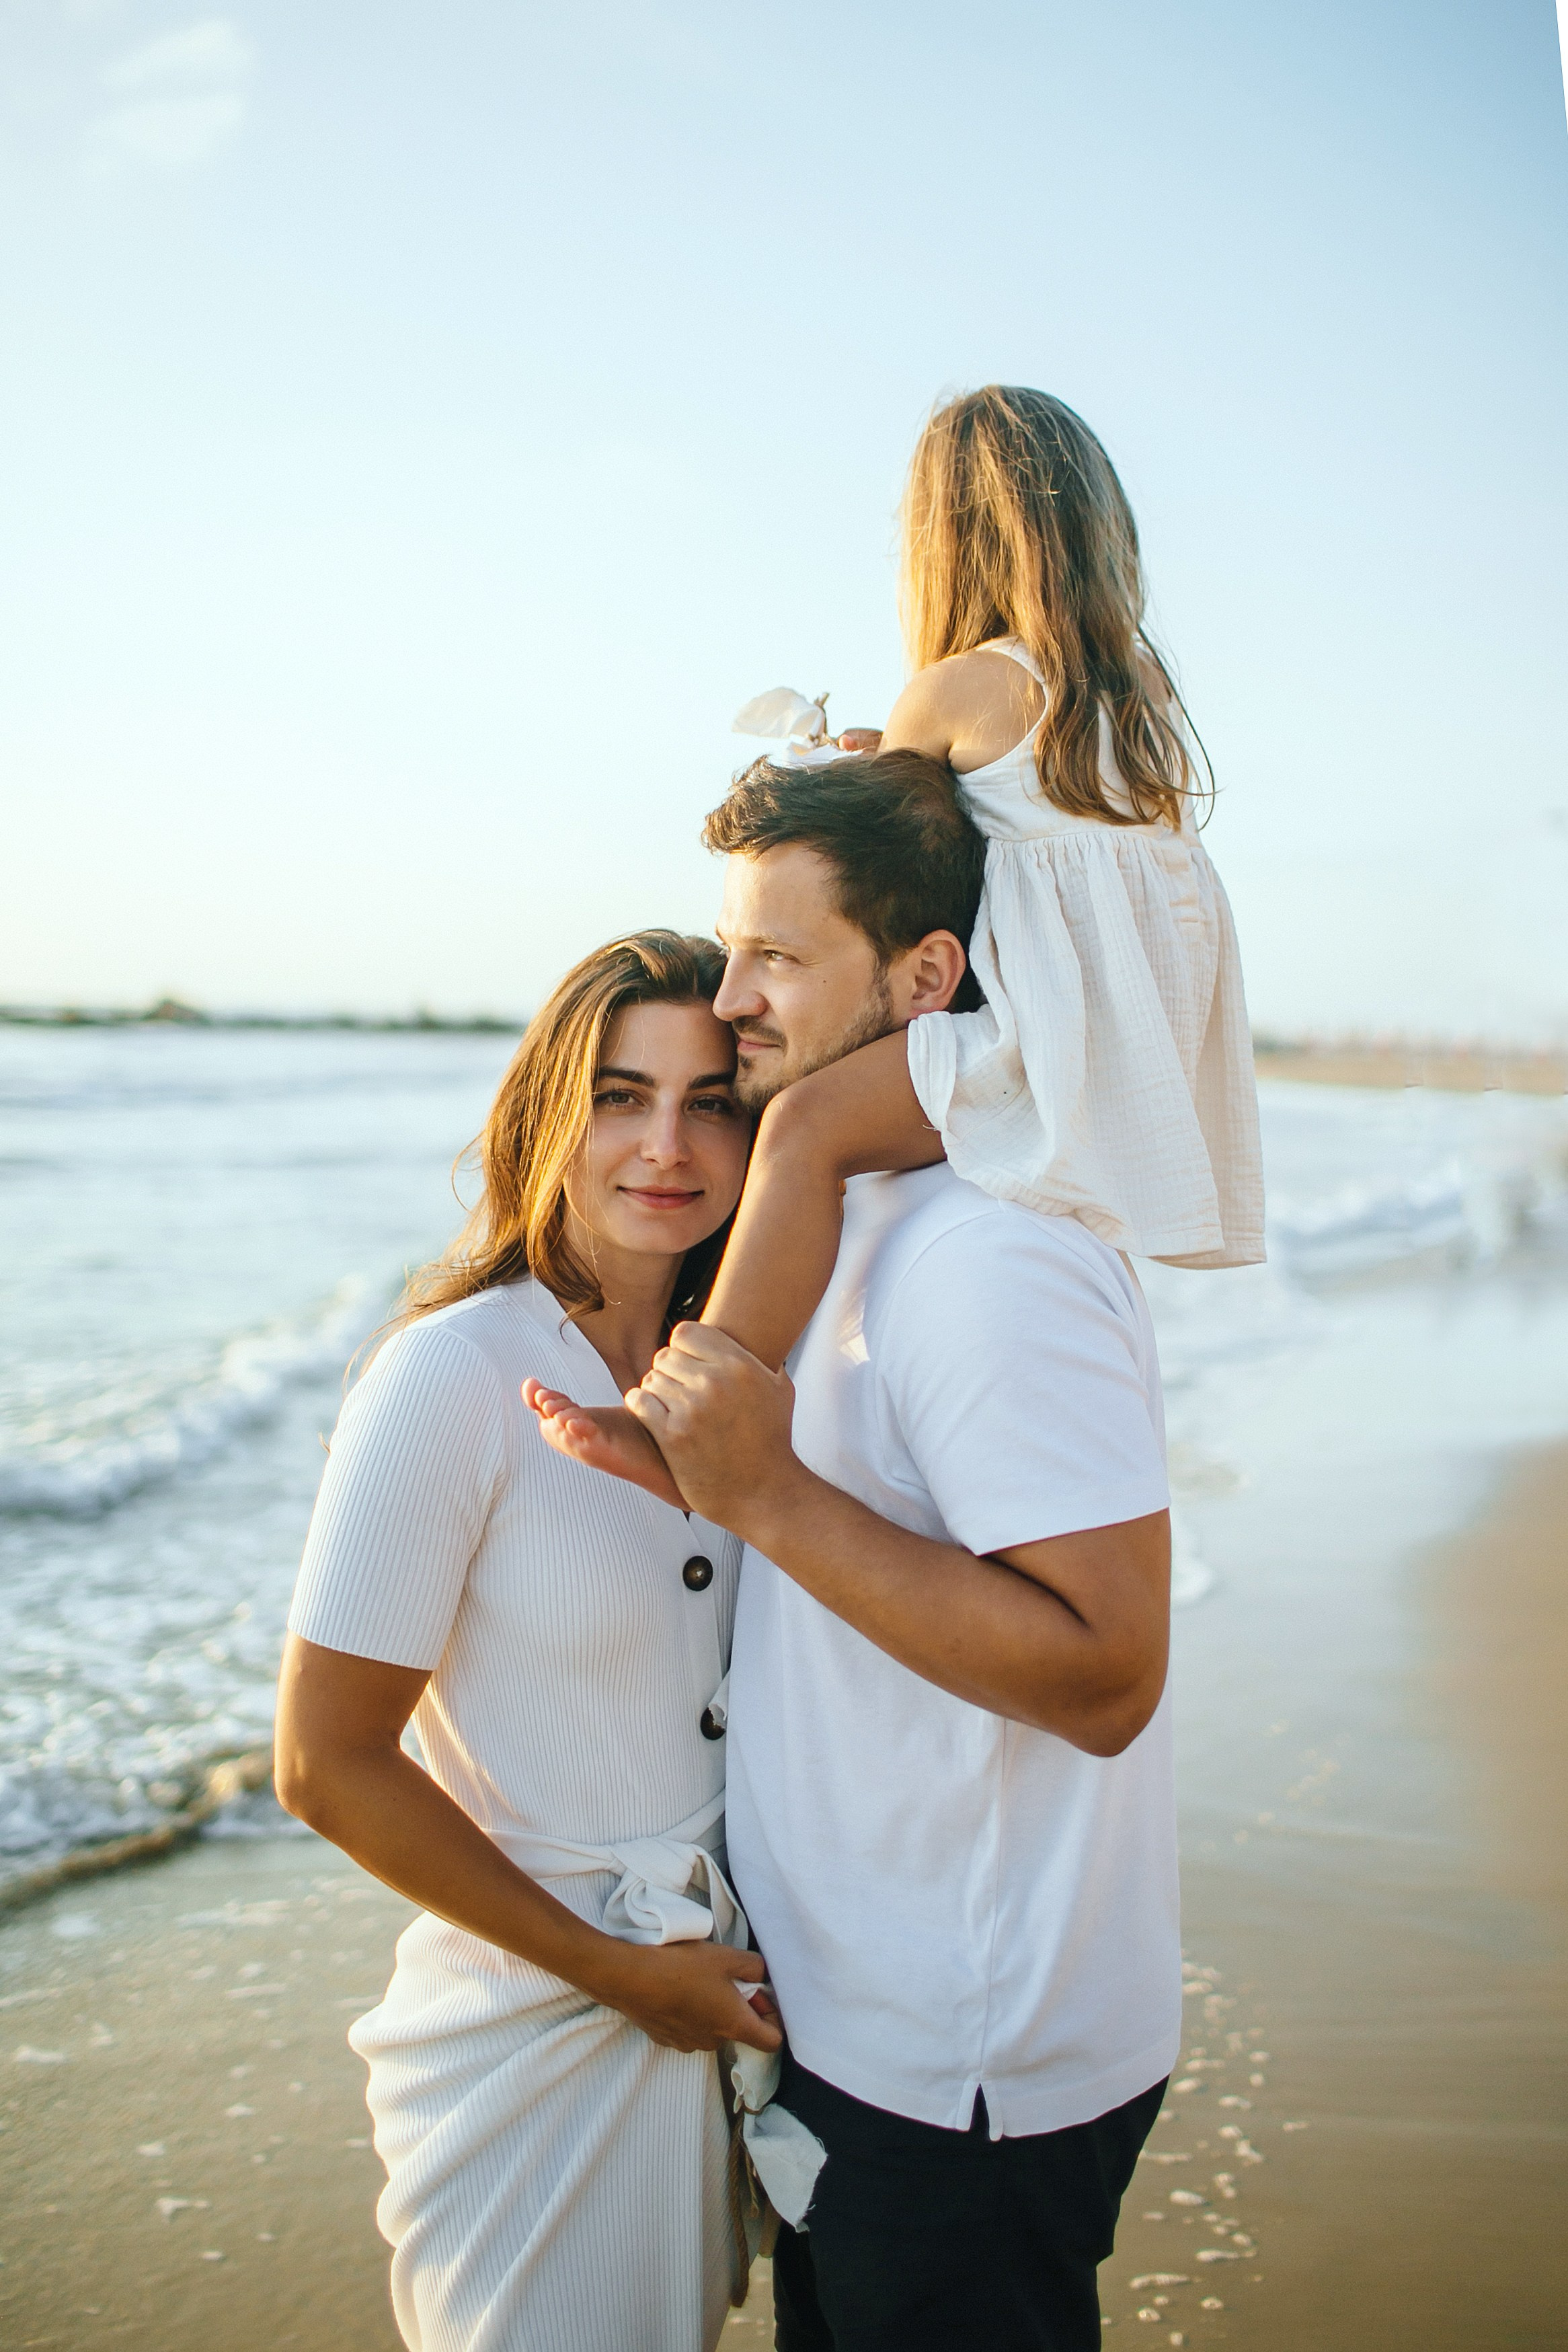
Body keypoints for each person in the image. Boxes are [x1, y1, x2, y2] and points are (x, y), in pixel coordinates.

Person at [528, 755, 1181, 2349]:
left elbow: (1108, 1675)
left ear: (925, 978)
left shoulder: (985, 1262)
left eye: (777, 957)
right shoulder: (836, 1220)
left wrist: (762, 1496)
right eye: (731, 947)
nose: (730, 1000)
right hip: (859, 2026)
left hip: (966, 2071)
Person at [539, 383, 1263, 1509]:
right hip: (1116, 1046)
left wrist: (861, 752)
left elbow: (887, 831)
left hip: (1029, 1044)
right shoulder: (1142, 701)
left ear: (944, 544)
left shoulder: (959, 687)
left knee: (805, 1128)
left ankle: (693, 1417)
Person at [274, 932, 782, 2352]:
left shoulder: (732, 1376)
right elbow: (324, 1764)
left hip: (705, 2006)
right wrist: (614, 1973)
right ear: (548, 1110)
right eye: (620, 1096)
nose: (666, 1145)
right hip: (531, 2023)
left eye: (712, 1102)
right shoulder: (449, 1374)